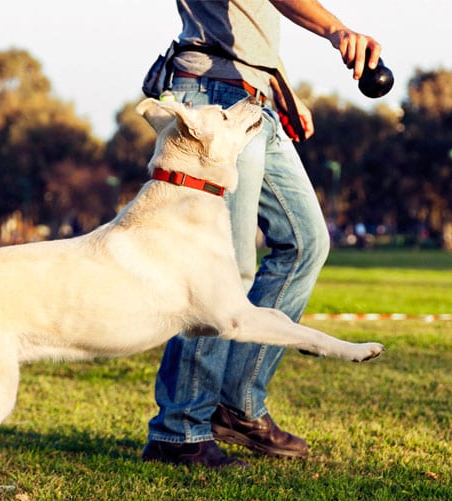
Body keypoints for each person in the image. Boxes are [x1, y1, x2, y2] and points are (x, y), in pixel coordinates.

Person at [140, 0, 383, 468]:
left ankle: (237, 405)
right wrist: (336, 30)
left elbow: (247, 21)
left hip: (254, 97)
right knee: (224, 273)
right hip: (213, 98)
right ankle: (180, 429)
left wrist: (279, 85)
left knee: (306, 242)